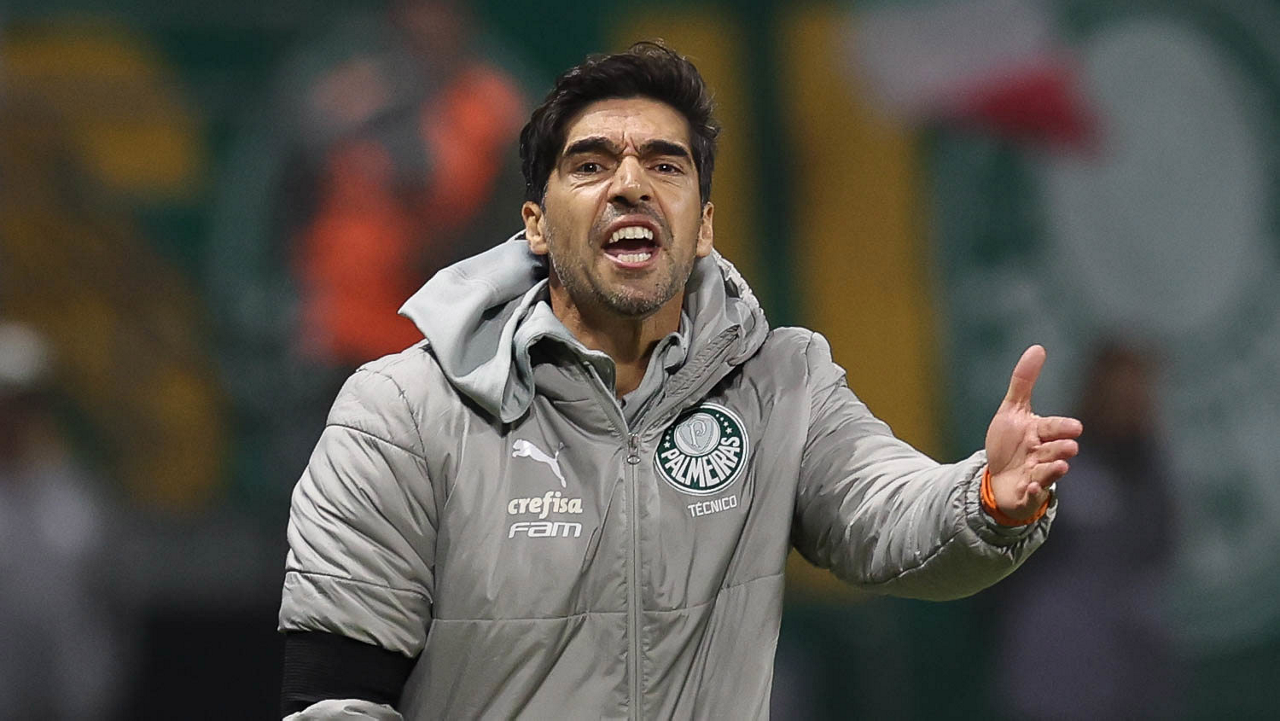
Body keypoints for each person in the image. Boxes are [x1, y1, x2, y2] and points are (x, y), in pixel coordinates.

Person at [278, 42, 1083, 720]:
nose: (630, 184)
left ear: (702, 226)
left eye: (665, 164)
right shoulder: (401, 413)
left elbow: (885, 509)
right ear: (535, 225)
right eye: (591, 164)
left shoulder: (781, 383)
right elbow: (335, 699)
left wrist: (987, 498)